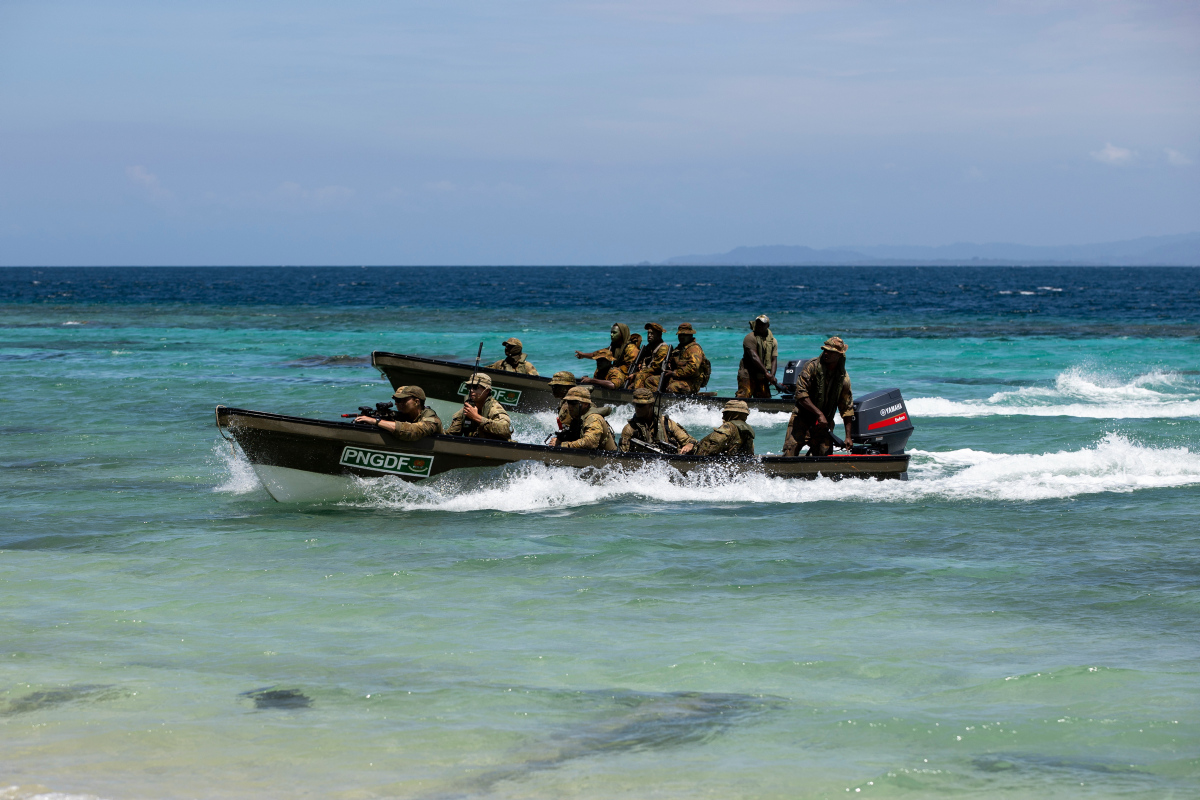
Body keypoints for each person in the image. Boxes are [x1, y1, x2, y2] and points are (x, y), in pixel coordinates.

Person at [786, 336, 854, 457]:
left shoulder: (843, 378)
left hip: (824, 424)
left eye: (831, 352)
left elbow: (847, 408)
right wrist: (819, 414)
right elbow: (800, 394)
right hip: (802, 417)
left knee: (824, 459)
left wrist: (848, 436)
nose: (826, 353)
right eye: (825, 350)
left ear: (839, 355)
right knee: (790, 453)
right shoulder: (811, 367)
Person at [619, 389, 695, 454]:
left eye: (641, 405)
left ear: (651, 405)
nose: (637, 409)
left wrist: (689, 445)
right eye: (636, 405)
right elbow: (623, 456)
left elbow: (690, 441)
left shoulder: (667, 423)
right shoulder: (629, 429)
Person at [354, 385, 443, 440]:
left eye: (402, 400)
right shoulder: (406, 415)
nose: (396, 403)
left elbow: (413, 431)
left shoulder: (430, 416)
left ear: (416, 402)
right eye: (396, 400)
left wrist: (377, 421)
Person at [446, 373, 513, 441]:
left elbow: (505, 429)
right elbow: (451, 434)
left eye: (475, 387)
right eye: (469, 387)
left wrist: (476, 417)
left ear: (487, 391)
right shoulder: (468, 408)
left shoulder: (494, 408)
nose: (471, 390)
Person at [549, 386, 618, 451]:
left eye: (574, 403)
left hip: (607, 460)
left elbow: (590, 443)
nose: (569, 406)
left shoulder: (593, 418)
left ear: (585, 404)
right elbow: (573, 435)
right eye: (569, 402)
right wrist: (559, 440)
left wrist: (563, 445)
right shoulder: (578, 417)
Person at [735, 314, 779, 399]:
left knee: (764, 399)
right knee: (743, 396)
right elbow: (754, 356)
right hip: (748, 372)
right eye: (758, 323)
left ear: (768, 325)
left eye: (763, 324)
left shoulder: (773, 341)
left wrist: (772, 376)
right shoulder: (750, 338)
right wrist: (767, 373)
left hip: (762, 374)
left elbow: (774, 359)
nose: (760, 326)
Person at [661, 323, 707, 394]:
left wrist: (674, 373)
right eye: (680, 335)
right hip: (678, 379)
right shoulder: (679, 349)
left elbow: (692, 368)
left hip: (692, 382)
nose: (681, 337)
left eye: (684, 335)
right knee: (651, 381)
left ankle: (671, 404)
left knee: (673, 388)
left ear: (690, 335)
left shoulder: (694, 349)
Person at [629, 322, 671, 390]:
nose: (649, 335)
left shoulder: (663, 348)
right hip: (649, 373)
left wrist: (636, 374)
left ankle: (640, 396)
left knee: (640, 376)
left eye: (652, 333)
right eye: (648, 333)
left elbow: (655, 368)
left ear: (659, 335)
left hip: (659, 374)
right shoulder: (650, 347)